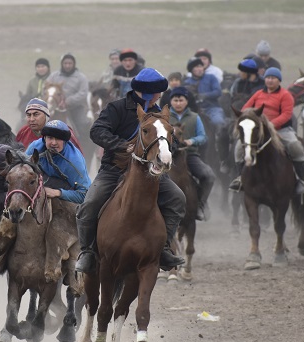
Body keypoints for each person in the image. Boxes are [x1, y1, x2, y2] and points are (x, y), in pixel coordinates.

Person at [74, 68, 186, 274]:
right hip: (114, 169)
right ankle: (87, 251)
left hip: (149, 173)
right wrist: (121, 145)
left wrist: (169, 147)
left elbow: (173, 143)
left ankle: (163, 249)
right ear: (148, 92)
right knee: (89, 204)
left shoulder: (158, 114)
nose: (160, 96)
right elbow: (97, 131)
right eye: (158, 92)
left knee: (177, 198)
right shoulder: (116, 109)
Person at [229, 67, 304, 195]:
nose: (270, 81)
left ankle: (300, 180)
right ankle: (240, 178)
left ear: (279, 80)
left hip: (281, 129)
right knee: (239, 148)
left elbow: (287, 114)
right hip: (257, 129)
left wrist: (270, 125)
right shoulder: (258, 94)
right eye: (268, 78)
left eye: (273, 78)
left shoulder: (285, 95)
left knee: (295, 146)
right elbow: (245, 109)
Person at [168, 86, 215, 221]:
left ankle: (200, 205)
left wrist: (191, 141)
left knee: (209, 175)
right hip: (167, 156)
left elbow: (202, 136)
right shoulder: (164, 117)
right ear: (171, 101)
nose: (178, 103)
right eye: (175, 100)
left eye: (181, 100)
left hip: (190, 155)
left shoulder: (195, 117)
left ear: (186, 101)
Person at [26, 120, 91, 204]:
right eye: (50, 138)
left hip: (66, 188)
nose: (53, 143)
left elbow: (85, 195)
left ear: (65, 141)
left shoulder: (74, 161)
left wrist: (57, 193)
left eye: (58, 139)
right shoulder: (34, 147)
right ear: (44, 138)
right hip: (42, 180)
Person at [46, 53, 92, 158]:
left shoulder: (81, 77)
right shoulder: (54, 76)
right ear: (62, 64)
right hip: (56, 107)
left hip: (75, 108)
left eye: (70, 63)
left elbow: (83, 93)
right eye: (65, 63)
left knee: (82, 125)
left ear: (74, 64)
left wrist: (68, 101)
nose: (67, 65)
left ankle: (84, 148)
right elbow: (47, 88)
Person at [16, 98, 84, 153]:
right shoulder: (23, 132)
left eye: (36, 114)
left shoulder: (63, 131)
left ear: (46, 116)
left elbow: (77, 156)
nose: (31, 119)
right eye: (28, 115)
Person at [184, 57, 225, 129]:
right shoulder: (187, 83)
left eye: (201, 66)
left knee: (218, 122)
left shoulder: (211, 77)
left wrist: (205, 95)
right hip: (194, 111)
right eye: (196, 67)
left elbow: (218, 92)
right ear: (191, 70)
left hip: (212, 108)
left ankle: (219, 139)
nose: (200, 69)